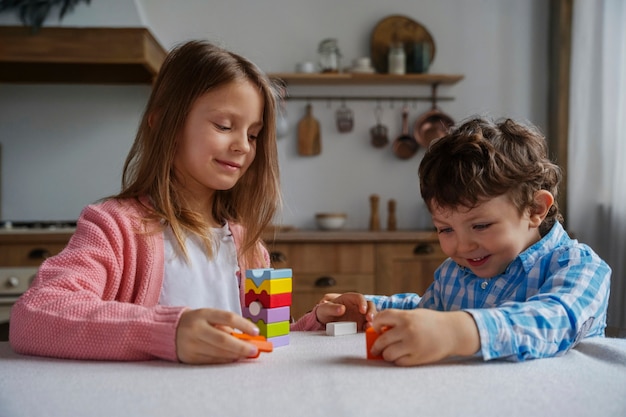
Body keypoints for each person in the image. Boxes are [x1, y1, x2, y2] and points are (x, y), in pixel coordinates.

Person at [9, 40, 358, 364]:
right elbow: (36, 314)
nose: (244, 146)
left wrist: (317, 324)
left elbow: (260, 340)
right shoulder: (114, 227)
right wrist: (168, 331)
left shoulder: (249, 245)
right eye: (224, 126)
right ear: (166, 125)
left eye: (253, 134)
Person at [323, 117, 611, 366]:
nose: (461, 247)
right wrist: (368, 311)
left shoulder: (580, 266)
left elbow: (554, 321)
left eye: (481, 225)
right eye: (445, 230)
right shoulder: (455, 272)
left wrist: (458, 332)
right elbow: (426, 314)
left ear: (535, 209)